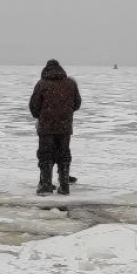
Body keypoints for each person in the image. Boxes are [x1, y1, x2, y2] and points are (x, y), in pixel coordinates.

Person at [29, 59, 81, 195]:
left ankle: (46, 185)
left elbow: (34, 106)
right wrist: (64, 113)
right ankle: (64, 186)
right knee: (64, 155)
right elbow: (77, 104)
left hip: (46, 127)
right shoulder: (70, 84)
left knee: (46, 155)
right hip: (64, 127)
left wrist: (41, 115)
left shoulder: (41, 84)